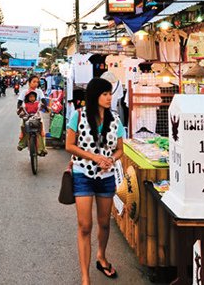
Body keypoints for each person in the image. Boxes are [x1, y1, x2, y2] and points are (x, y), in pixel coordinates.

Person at [65, 78, 125, 284]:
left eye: (110, 94)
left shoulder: (116, 120)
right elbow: (69, 146)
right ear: (94, 96)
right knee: (84, 226)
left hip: (106, 178)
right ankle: (85, 276)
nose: (109, 98)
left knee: (104, 224)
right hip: (83, 174)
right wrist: (94, 157)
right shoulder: (78, 115)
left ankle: (101, 256)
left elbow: (120, 150)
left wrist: (111, 159)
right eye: (104, 94)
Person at [16, 75, 48, 155]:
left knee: (41, 131)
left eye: (37, 82)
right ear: (29, 82)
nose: (36, 84)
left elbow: (44, 101)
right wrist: (19, 110)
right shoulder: (24, 92)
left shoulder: (39, 92)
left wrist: (46, 107)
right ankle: (22, 144)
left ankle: (42, 149)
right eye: (34, 82)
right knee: (23, 127)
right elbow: (19, 102)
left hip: (36, 114)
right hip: (26, 114)